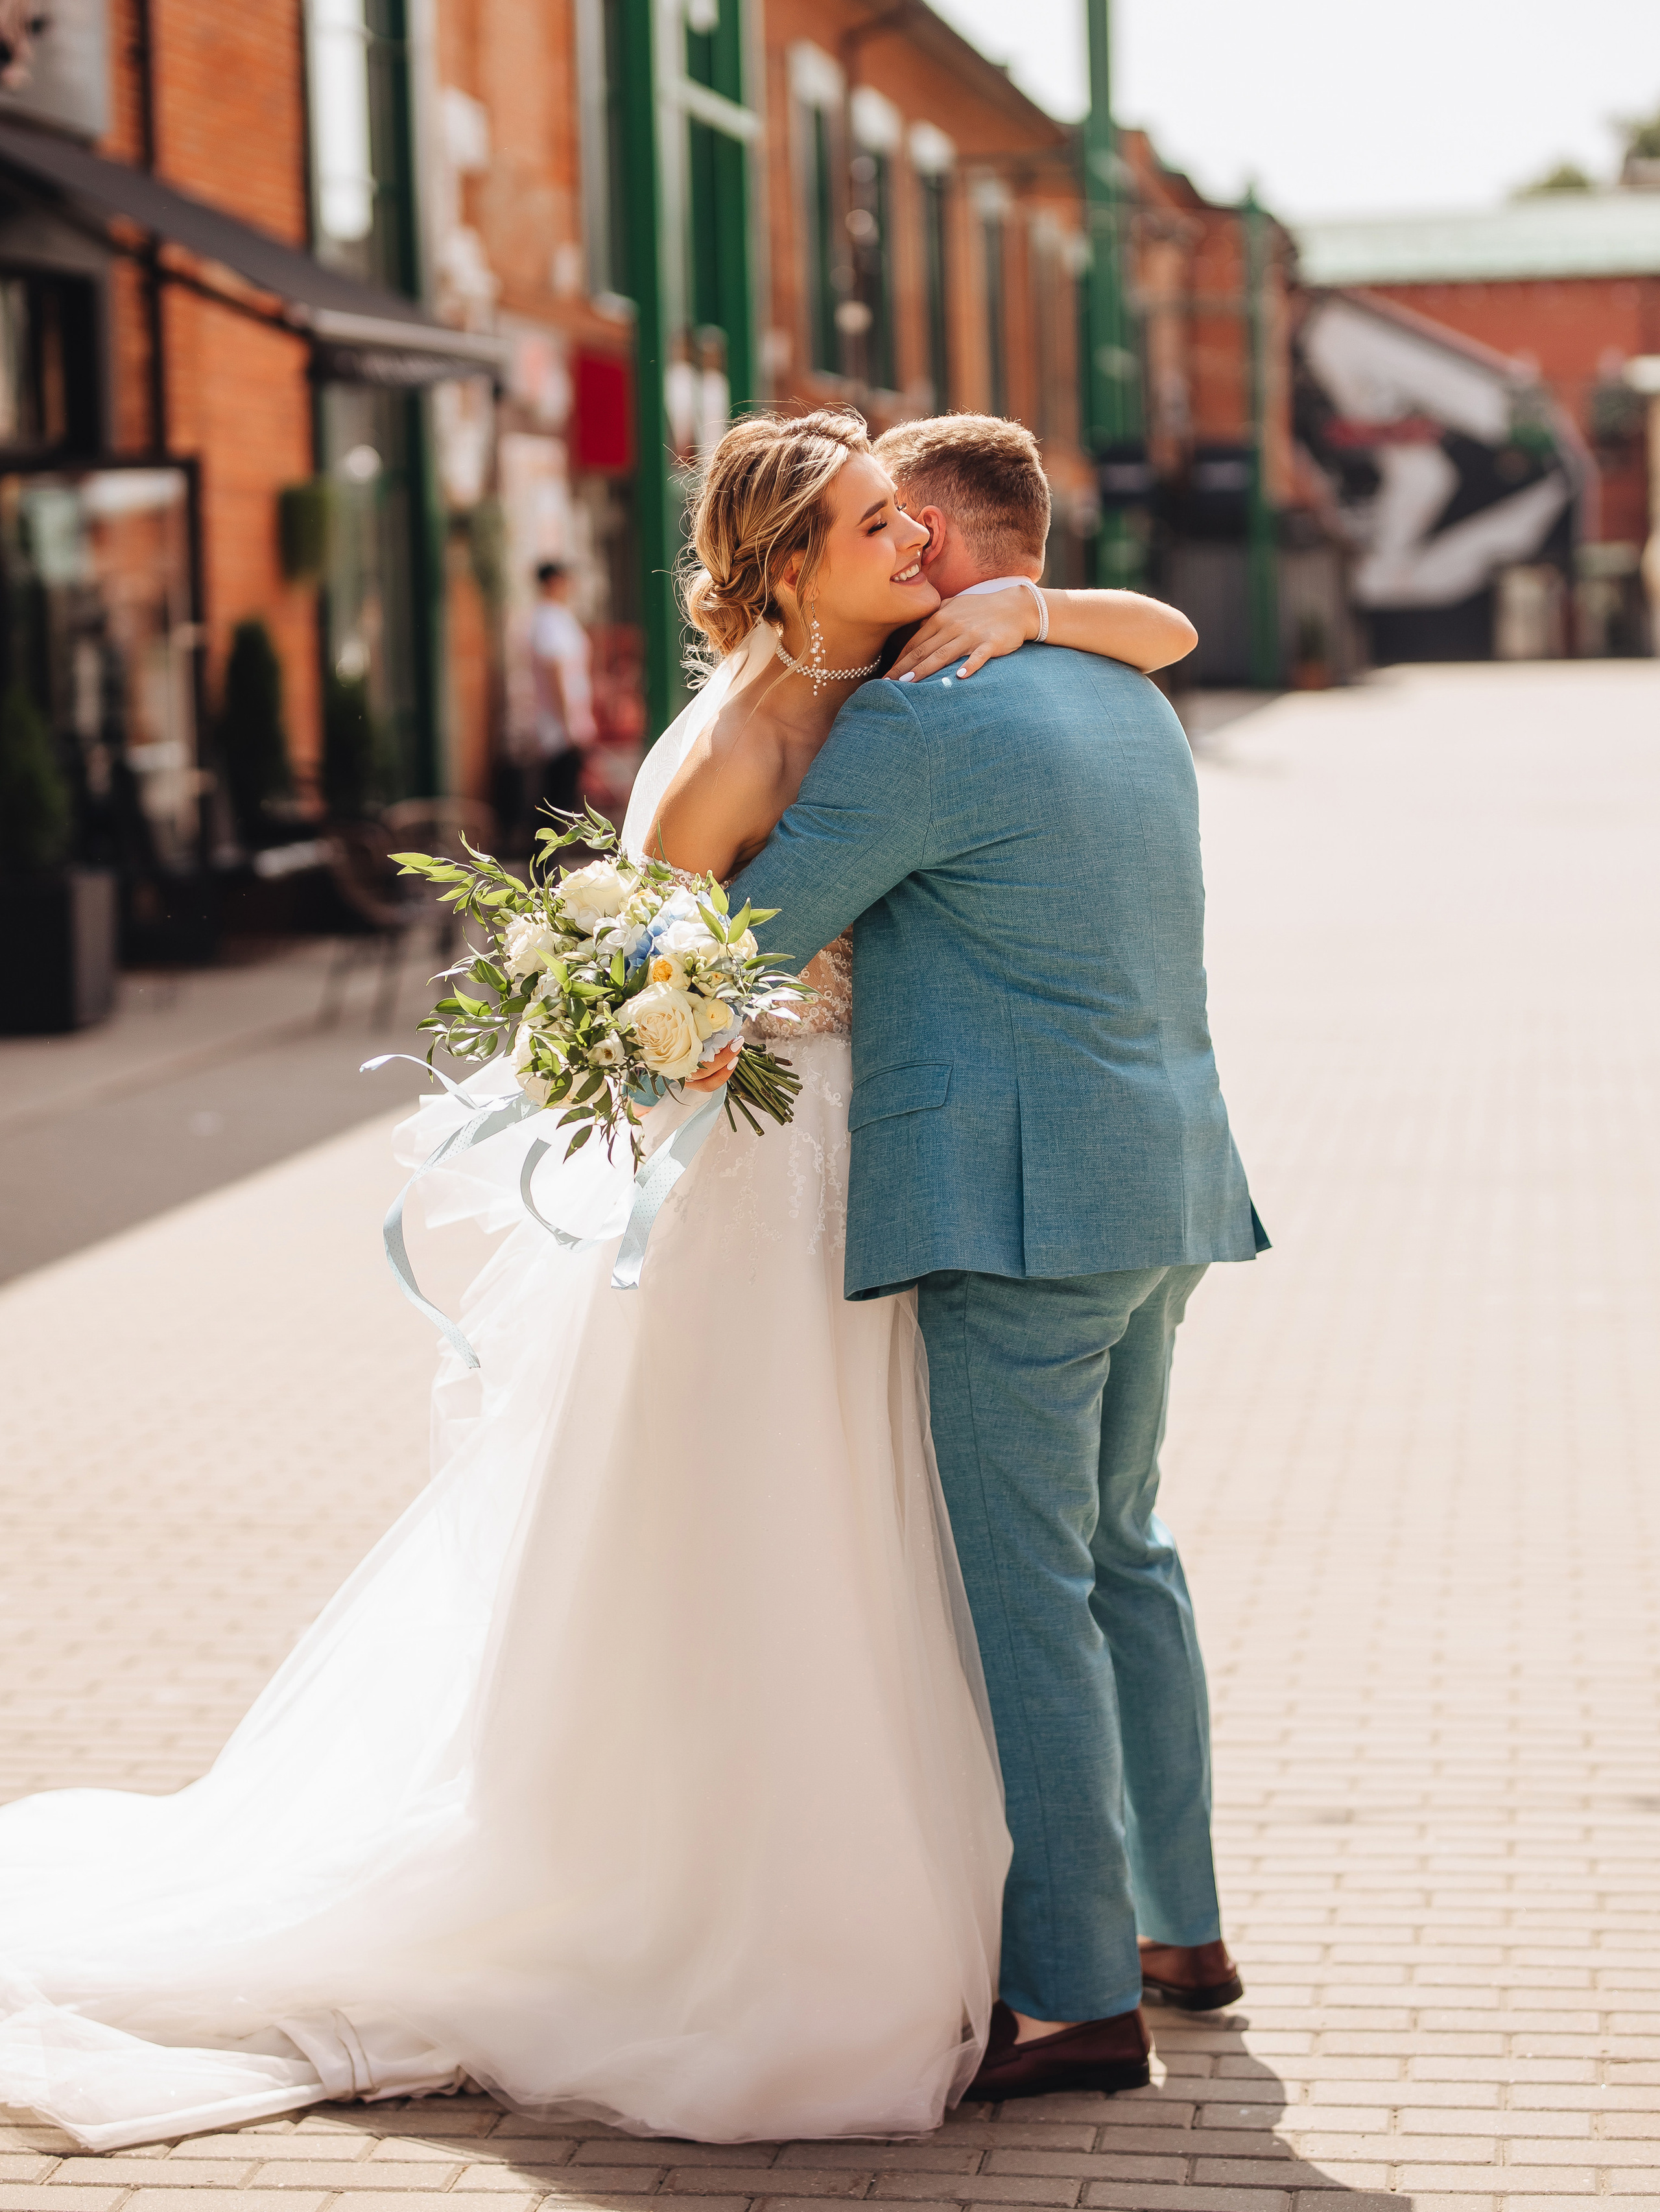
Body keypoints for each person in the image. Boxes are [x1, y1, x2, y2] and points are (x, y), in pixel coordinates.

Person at [0, 410, 1207, 2152]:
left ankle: (1019, 1929)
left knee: (927, 1550)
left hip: (908, 1172)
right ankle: (803, 1913)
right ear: (787, 566)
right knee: (801, 1536)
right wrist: (685, 1028)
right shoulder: (745, 743)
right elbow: (665, 972)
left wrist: (1027, 606)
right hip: (785, 1175)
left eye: (908, 516)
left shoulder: (923, 681)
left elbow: (1148, 632)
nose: (913, 544)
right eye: (874, 523)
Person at [717, 412, 1268, 2102]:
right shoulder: (1126, 691)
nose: (892, 546)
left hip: (1019, 1222)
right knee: (1124, 1552)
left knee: (1030, 1595)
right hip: (1164, 1181)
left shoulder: (919, 721)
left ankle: (1075, 1996)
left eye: (898, 521)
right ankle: (1182, 1928)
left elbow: (750, 937)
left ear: (943, 545)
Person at [528, 559, 595, 821]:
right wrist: (569, 724)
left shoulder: (558, 617)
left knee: (565, 794)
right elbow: (554, 672)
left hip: (566, 722)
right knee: (559, 800)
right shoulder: (548, 620)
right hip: (559, 728)